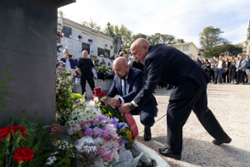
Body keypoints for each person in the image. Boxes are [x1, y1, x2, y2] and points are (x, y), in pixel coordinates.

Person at [118, 38, 231, 160]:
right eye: (132, 54)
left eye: (136, 53)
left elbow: (149, 86)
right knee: (202, 110)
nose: (134, 57)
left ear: (145, 47)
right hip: (197, 77)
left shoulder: (152, 57)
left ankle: (173, 150)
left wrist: (132, 104)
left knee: (173, 112)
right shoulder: (158, 50)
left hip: (188, 81)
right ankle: (221, 136)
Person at [105, 57, 158, 141]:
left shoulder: (138, 74)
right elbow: (110, 94)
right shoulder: (116, 77)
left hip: (142, 104)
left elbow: (136, 92)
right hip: (126, 105)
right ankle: (121, 130)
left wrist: (119, 100)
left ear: (127, 66)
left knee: (146, 119)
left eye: (118, 70)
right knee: (112, 111)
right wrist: (100, 100)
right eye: (114, 70)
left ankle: (147, 128)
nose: (116, 73)